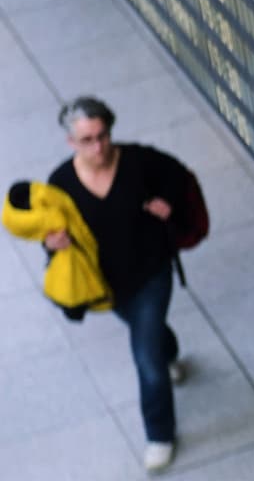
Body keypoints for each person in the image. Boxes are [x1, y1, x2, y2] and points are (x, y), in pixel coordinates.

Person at [46, 96, 189, 472]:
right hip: (105, 287)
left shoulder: (137, 161)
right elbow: (53, 232)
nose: (99, 147)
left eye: (103, 136)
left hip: (151, 273)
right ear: (71, 143)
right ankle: (169, 350)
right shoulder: (60, 183)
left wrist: (167, 202)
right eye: (88, 140)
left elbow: (176, 175)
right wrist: (52, 242)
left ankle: (159, 434)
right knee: (151, 335)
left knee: (146, 358)